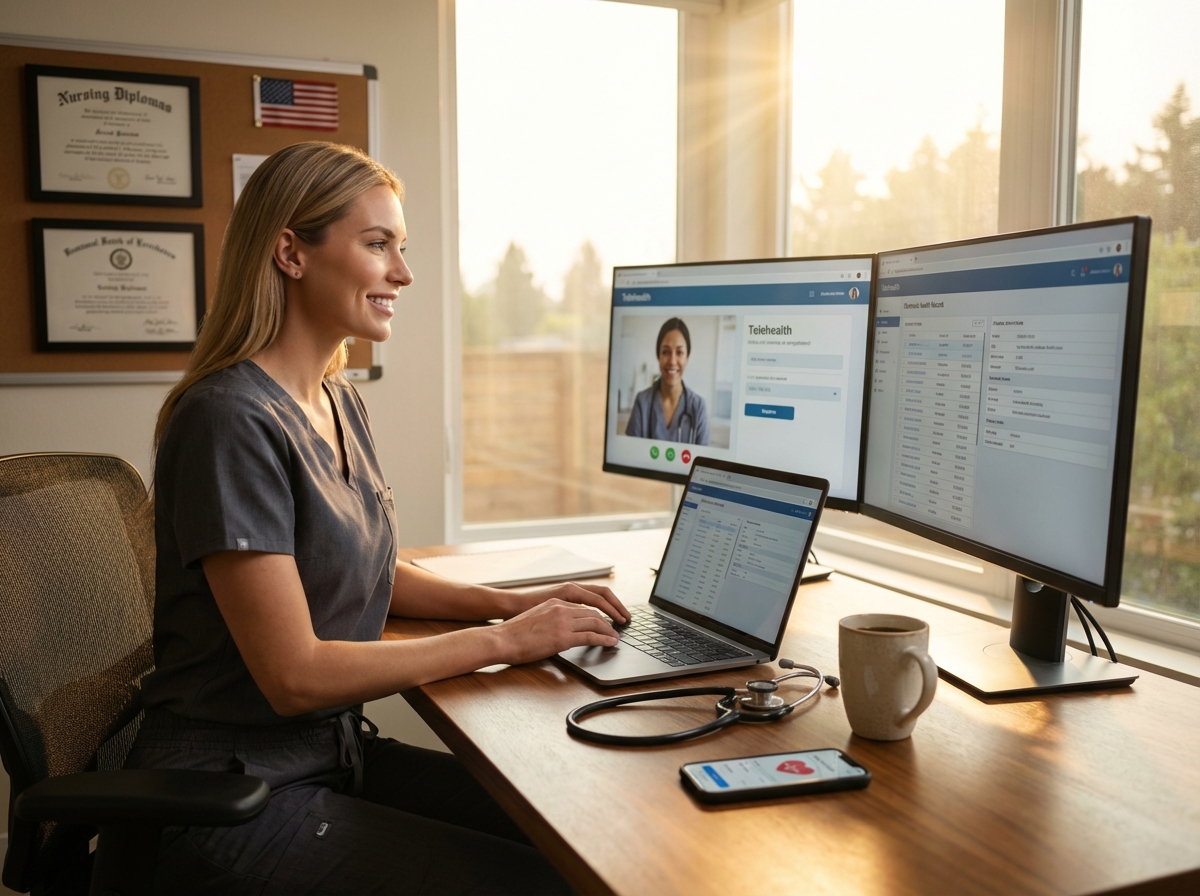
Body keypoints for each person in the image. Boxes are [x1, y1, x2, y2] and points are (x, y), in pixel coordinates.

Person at [126, 142, 629, 894]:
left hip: (327, 756)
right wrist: (499, 642)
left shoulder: (338, 398)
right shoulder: (227, 421)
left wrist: (517, 605)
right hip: (228, 794)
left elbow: (367, 571)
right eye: (378, 245)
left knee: (582, 841)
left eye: (403, 247)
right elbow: (294, 675)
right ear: (291, 252)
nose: (404, 272)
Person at [624, 317, 710, 445]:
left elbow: (704, 461)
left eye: (679, 352)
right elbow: (629, 456)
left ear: (687, 357)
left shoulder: (698, 407)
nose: (672, 361)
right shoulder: (642, 402)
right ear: (658, 355)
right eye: (665, 352)